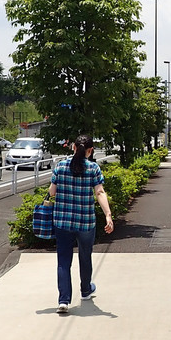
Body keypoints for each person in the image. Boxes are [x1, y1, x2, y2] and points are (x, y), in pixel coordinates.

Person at [48, 134, 113, 314]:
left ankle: (63, 300)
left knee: (63, 261)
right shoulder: (93, 168)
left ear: (73, 147)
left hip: (62, 222)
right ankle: (85, 290)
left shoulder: (60, 166)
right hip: (85, 222)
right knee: (85, 256)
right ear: (90, 151)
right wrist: (108, 215)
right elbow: (99, 192)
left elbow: (52, 192)